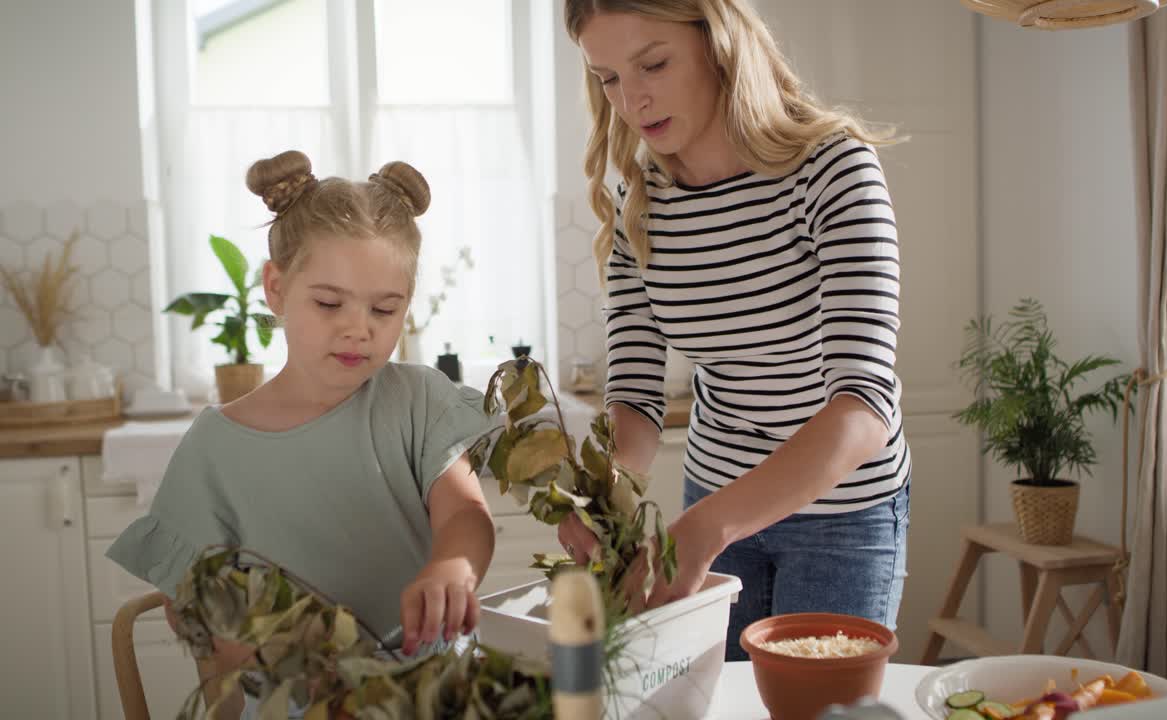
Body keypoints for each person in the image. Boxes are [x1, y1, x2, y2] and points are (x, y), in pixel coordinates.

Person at [557, 0, 912, 661]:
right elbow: (634, 397)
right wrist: (605, 495)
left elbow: (863, 411)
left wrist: (706, 528)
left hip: (841, 516)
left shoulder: (832, 171)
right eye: (606, 77)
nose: (630, 100)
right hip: (712, 503)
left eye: (653, 63)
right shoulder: (643, 204)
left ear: (718, 42)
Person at [107, 150, 497, 713]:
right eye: (329, 303)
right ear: (276, 288)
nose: (357, 329)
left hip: (435, 690)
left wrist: (453, 568)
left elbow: (465, 515)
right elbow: (212, 649)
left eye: (384, 310)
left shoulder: (418, 400)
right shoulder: (216, 449)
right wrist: (242, 647)